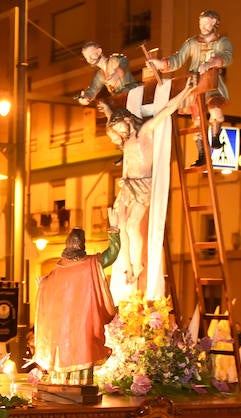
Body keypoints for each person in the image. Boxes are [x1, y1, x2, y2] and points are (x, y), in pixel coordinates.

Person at [100, 90, 190, 298]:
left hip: (142, 186)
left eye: (118, 127)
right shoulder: (127, 140)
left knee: (132, 226)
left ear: (127, 120)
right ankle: (129, 266)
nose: (118, 133)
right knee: (119, 225)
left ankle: (137, 264)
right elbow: (114, 123)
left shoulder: (145, 132)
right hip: (129, 185)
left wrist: (187, 90)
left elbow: (167, 110)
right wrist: (107, 111)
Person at [33, 225, 119, 383]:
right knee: (82, 354)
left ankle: (64, 389)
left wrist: (42, 285)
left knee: (63, 362)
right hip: (81, 327)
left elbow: (46, 287)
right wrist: (113, 234)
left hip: (63, 332)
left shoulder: (59, 270)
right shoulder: (91, 264)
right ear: (83, 245)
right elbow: (112, 254)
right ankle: (79, 388)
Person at [147, 10, 233, 155]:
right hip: (195, 84)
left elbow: (227, 57)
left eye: (206, 23)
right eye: (201, 23)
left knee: (216, 111)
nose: (202, 27)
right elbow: (177, 59)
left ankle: (215, 136)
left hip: (212, 83)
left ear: (213, 23)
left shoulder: (222, 42)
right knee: (198, 121)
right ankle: (201, 153)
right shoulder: (192, 43)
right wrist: (160, 64)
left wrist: (210, 63)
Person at [74, 42, 137, 106]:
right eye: (87, 58)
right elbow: (92, 90)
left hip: (133, 95)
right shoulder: (100, 75)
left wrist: (116, 75)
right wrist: (86, 97)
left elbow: (124, 61)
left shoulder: (113, 60)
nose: (89, 59)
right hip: (120, 101)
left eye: (91, 55)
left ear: (99, 51)